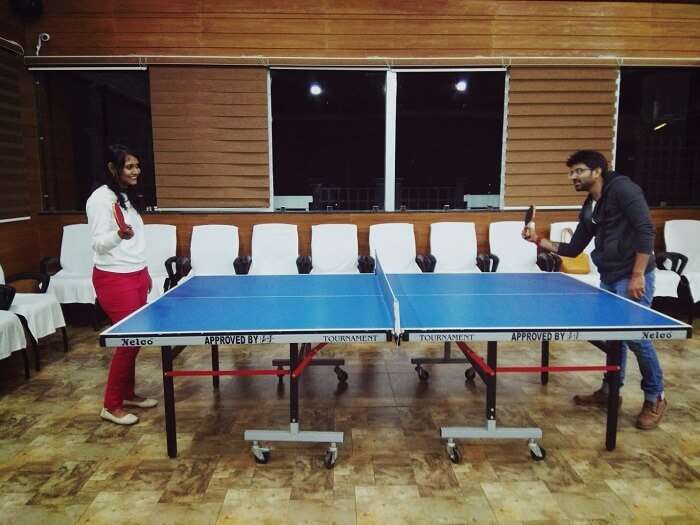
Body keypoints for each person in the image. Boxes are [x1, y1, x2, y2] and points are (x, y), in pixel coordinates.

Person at [522, 149, 667, 430]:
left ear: (597, 171)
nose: (572, 177)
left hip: (632, 275)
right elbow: (574, 248)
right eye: (571, 172)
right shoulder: (591, 206)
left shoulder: (624, 189)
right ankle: (611, 390)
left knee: (636, 337)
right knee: (615, 336)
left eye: (578, 171)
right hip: (610, 275)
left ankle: (655, 396)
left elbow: (645, 230)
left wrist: (637, 274)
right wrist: (537, 240)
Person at [86, 144, 157, 425]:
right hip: (114, 278)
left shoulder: (125, 197)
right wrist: (118, 235)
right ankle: (111, 404)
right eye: (129, 166)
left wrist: (145, 270)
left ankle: (127, 393)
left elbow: (137, 239)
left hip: (136, 274)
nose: (136, 171)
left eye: (137, 166)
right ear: (113, 169)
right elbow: (98, 244)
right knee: (128, 340)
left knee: (135, 339)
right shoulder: (100, 200)